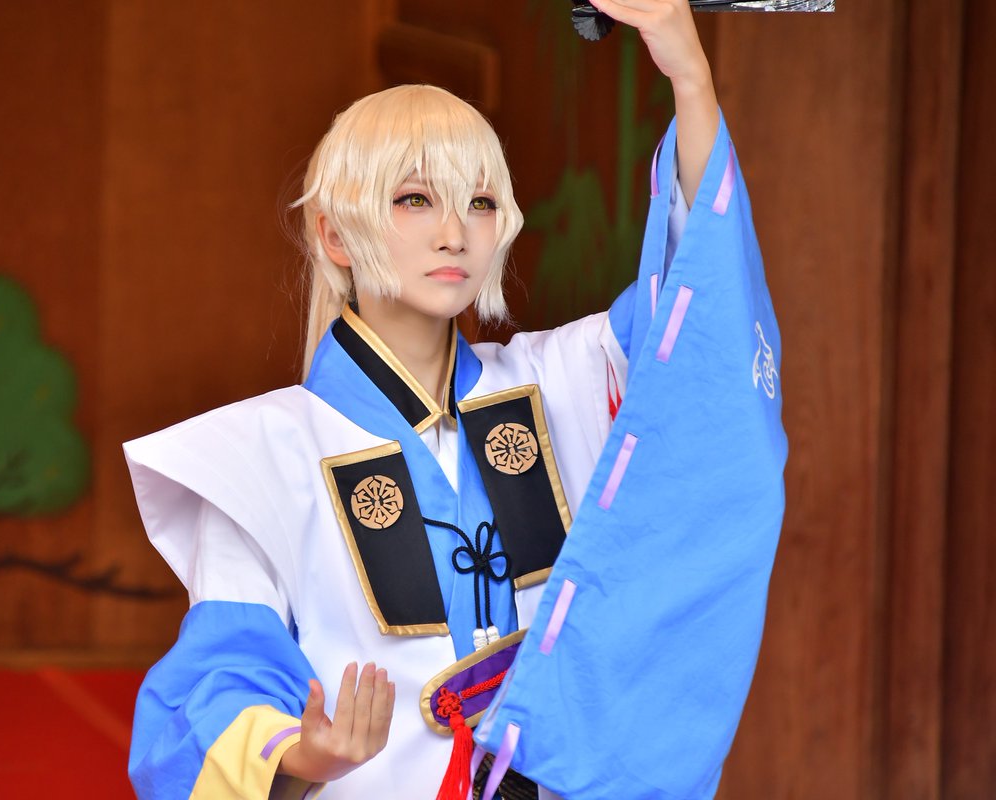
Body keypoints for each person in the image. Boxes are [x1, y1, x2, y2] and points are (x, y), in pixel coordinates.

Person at [123, 1, 785, 798]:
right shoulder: (262, 456)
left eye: (479, 202)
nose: (455, 233)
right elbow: (216, 687)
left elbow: (696, 308)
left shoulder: (562, 382)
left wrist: (690, 77)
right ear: (335, 235)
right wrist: (302, 755)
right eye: (415, 199)